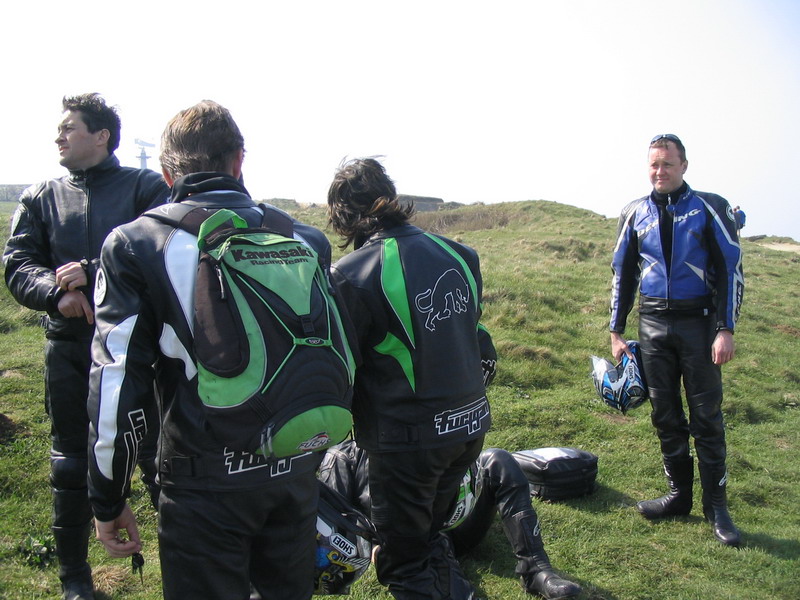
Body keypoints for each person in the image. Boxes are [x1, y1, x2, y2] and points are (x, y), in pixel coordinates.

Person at [86, 100, 332, 600]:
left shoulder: (137, 244)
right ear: (239, 161)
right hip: (295, 467)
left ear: (167, 173)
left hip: (204, 482)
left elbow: (118, 385)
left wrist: (107, 497)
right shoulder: (306, 239)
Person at [2, 93, 168, 600]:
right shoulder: (40, 196)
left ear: (101, 135)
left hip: (141, 351)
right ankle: (75, 579)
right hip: (68, 350)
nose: (58, 136)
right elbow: (17, 262)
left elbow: (163, 249)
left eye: (68, 127)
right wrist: (55, 295)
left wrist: (95, 273)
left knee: (159, 460)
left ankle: (188, 566)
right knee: (69, 462)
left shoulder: (146, 187)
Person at [327, 158, 492, 599]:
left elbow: (343, 370)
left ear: (343, 216)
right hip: (469, 428)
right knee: (427, 538)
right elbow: (471, 334)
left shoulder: (351, 274)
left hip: (409, 444)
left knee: (402, 561)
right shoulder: (461, 254)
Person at [609, 133, 744, 546]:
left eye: (667, 164)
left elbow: (730, 270)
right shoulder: (634, 211)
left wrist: (725, 329)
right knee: (665, 416)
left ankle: (717, 508)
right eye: (654, 164)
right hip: (652, 325)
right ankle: (678, 497)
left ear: (684, 166)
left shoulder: (710, 207)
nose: (660, 171)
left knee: (707, 419)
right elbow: (622, 273)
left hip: (699, 325)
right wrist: (616, 331)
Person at [319, 440, 583, 599]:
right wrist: (376, 550)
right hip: (402, 545)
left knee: (498, 459)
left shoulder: (426, 433)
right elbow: (337, 532)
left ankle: (536, 570)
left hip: (455, 526)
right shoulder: (342, 456)